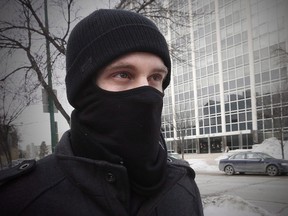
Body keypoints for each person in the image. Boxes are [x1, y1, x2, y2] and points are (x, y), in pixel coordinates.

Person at [0, 9, 203, 216]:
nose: (146, 92)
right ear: (84, 90)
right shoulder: (22, 198)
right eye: (123, 74)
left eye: (155, 77)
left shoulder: (183, 188)